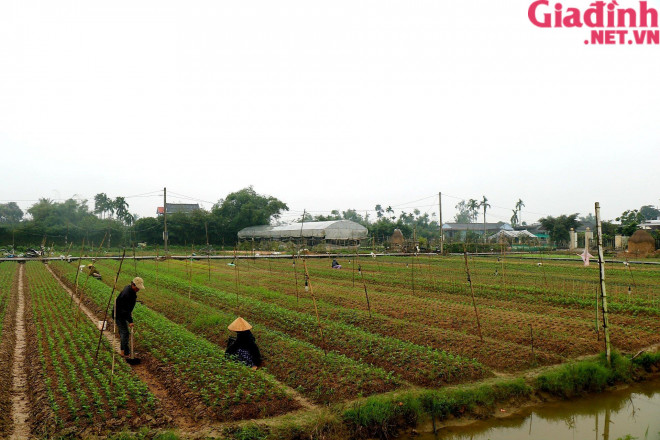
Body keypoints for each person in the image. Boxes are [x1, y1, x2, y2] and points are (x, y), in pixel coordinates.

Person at [114, 277, 145, 358]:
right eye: (137, 288)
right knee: (125, 333)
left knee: (123, 333)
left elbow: (127, 308)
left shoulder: (129, 289)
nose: (138, 289)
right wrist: (130, 321)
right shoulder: (127, 294)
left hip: (121, 312)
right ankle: (124, 352)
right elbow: (125, 310)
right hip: (119, 314)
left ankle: (125, 351)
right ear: (133, 285)